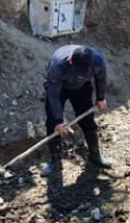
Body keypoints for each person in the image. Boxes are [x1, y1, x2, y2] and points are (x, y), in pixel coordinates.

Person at [43, 45, 110, 175]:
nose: (83, 73)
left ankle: (95, 154)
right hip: (60, 89)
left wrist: (101, 98)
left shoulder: (97, 60)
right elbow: (53, 95)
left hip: (82, 88)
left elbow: (100, 78)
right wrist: (58, 120)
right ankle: (55, 160)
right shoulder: (58, 66)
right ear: (71, 62)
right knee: (52, 123)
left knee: (88, 121)